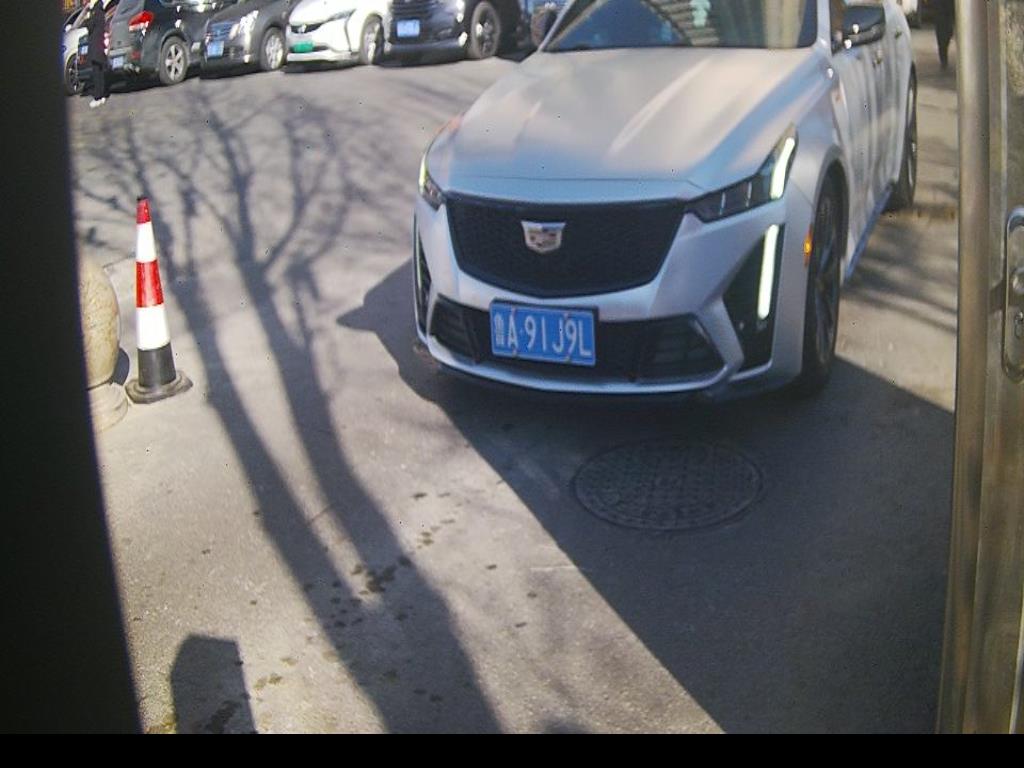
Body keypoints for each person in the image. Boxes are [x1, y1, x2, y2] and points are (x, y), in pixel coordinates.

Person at [83, 0, 110, 108]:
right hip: (99, 44)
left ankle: (98, 96)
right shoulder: (100, 10)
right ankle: (102, 94)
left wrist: (87, 17)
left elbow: (90, 25)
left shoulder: (96, 11)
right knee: (99, 70)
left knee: (96, 71)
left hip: (95, 45)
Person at [933, 0, 956, 72]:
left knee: (944, 37)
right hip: (942, 15)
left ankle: (943, 59)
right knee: (942, 38)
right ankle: (943, 59)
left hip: (943, 15)